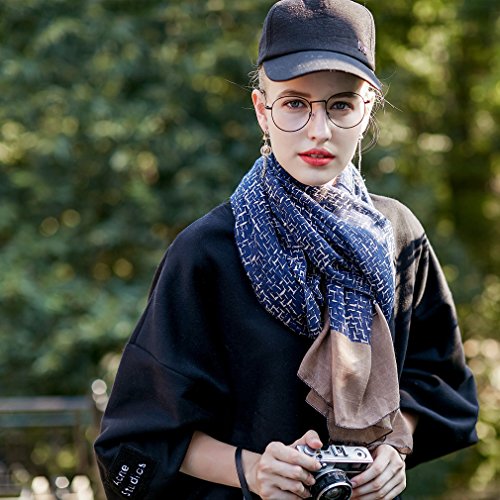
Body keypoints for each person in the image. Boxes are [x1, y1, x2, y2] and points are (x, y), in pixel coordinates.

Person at [94, 1, 479, 499]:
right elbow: (136, 438)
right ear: (262, 110)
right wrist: (252, 470)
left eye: (341, 105)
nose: (319, 131)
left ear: (367, 111)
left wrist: (394, 446)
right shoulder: (206, 252)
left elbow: (441, 384)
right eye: (295, 103)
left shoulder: (399, 235)